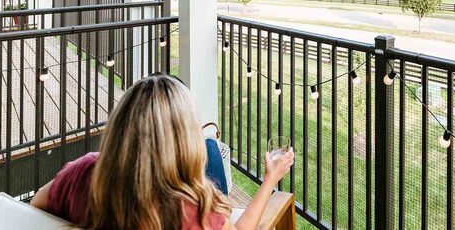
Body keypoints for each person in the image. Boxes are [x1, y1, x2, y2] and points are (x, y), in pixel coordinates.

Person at [30, 74, 294, 230]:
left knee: (211, 147)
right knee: (211, 149)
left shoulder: (83, 173)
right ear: (185, 137)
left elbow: (35, 207)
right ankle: (210, 143)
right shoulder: (198, 209)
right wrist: (270, 180)